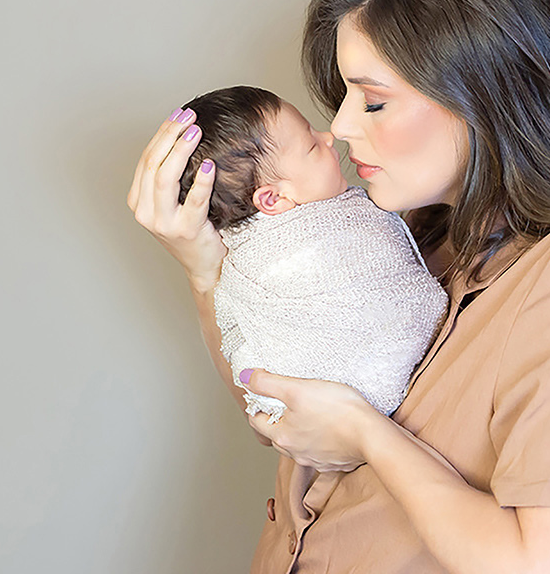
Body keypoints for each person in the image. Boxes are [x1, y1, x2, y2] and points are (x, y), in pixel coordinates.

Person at [127, 0, 550, 573]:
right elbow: (276, 396)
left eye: (374, 102)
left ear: (485, 98)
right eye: (345, 95)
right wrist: (205, 268)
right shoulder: (410, 239)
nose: (342, 126)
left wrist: (368, 436)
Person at [173, 85, 447, 421]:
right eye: (311, 145)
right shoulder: (265, 259)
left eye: (373, 103)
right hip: (341, 410)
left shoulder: (349, 220)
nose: (329, 136)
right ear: (273, 199)